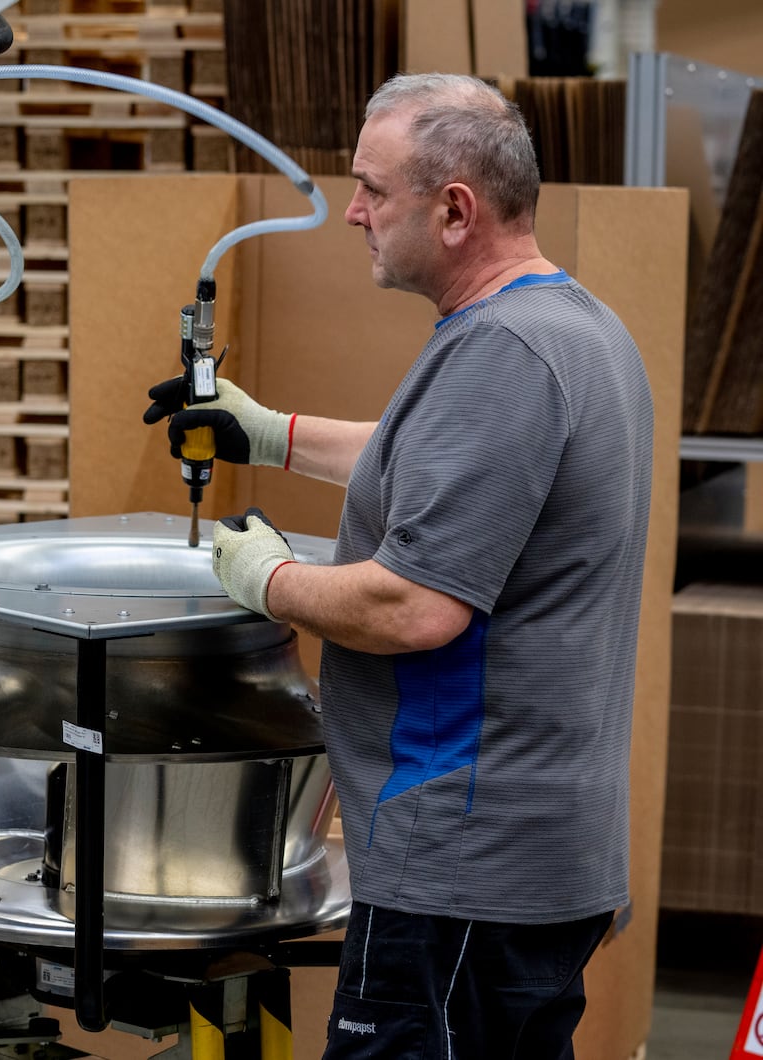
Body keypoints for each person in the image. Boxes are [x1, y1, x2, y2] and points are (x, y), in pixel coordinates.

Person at [143, 73, 654, 1060]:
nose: (351, 213)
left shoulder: (504, 350)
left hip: (463, 863)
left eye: (372, 189)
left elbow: (413, 608)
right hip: (522, 857)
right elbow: (450, 460)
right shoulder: (571, 326)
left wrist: (263, 577)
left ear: (453, 208)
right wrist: (271, 434)